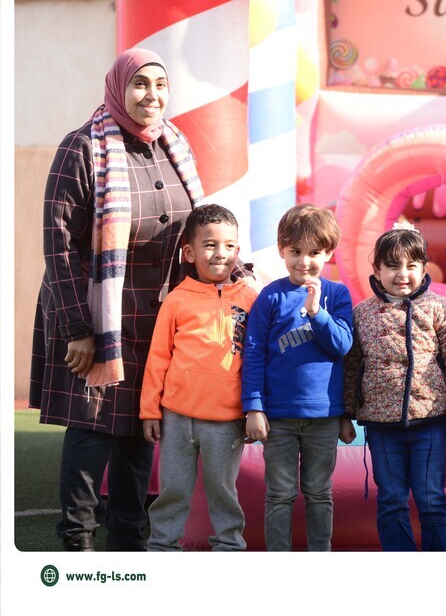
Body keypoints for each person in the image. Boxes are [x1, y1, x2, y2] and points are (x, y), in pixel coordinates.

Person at [28, 48, 252, 551]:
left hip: (154, 316)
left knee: (138, 434)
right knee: (91, 431)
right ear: (118, 88)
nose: (152, 95)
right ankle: (79, 545)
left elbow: (197, 229)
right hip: (96, 315)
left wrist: (239, 277)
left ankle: (129, 545)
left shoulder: (175, 144)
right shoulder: (83, 148)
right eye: (140, 84)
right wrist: (78, 329)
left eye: (160, 85)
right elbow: (59, 246)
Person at [343, 222, 446, 551]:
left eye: (411, 266)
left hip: (429, 420)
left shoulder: (438, 308)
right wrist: (344, 414)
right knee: (391, 500)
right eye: (392, 266)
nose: (402, 274)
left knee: (431, 498)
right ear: (376, 270)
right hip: (381, 425)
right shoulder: (362, 314)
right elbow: (349, 367)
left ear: (424, 268)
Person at [139, 204, 257, 551]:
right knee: (172, 491)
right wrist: (150, 411)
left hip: (227, 421)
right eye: (210, 245)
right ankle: (162, 548)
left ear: (237, 250)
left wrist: (256, 410)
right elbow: (158, 358)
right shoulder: (176, 300)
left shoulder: (251, 298)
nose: (220, 253)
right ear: (189, 253)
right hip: (177, 418)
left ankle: (229, 548)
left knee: (223, 493)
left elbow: (259, 359)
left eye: (229, 246)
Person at [241, 204, 355, 551]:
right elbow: (253, 353)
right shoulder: (270, 296)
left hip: (323, 416)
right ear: (282, 250)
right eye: (295, 252)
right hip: (279, 416)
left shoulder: (337, 294)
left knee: (319, 492)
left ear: (329, 253)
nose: (304, 261)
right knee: (279, 493)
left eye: (314, 252)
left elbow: (342, 345)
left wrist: (316, 312)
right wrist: (254, 408)